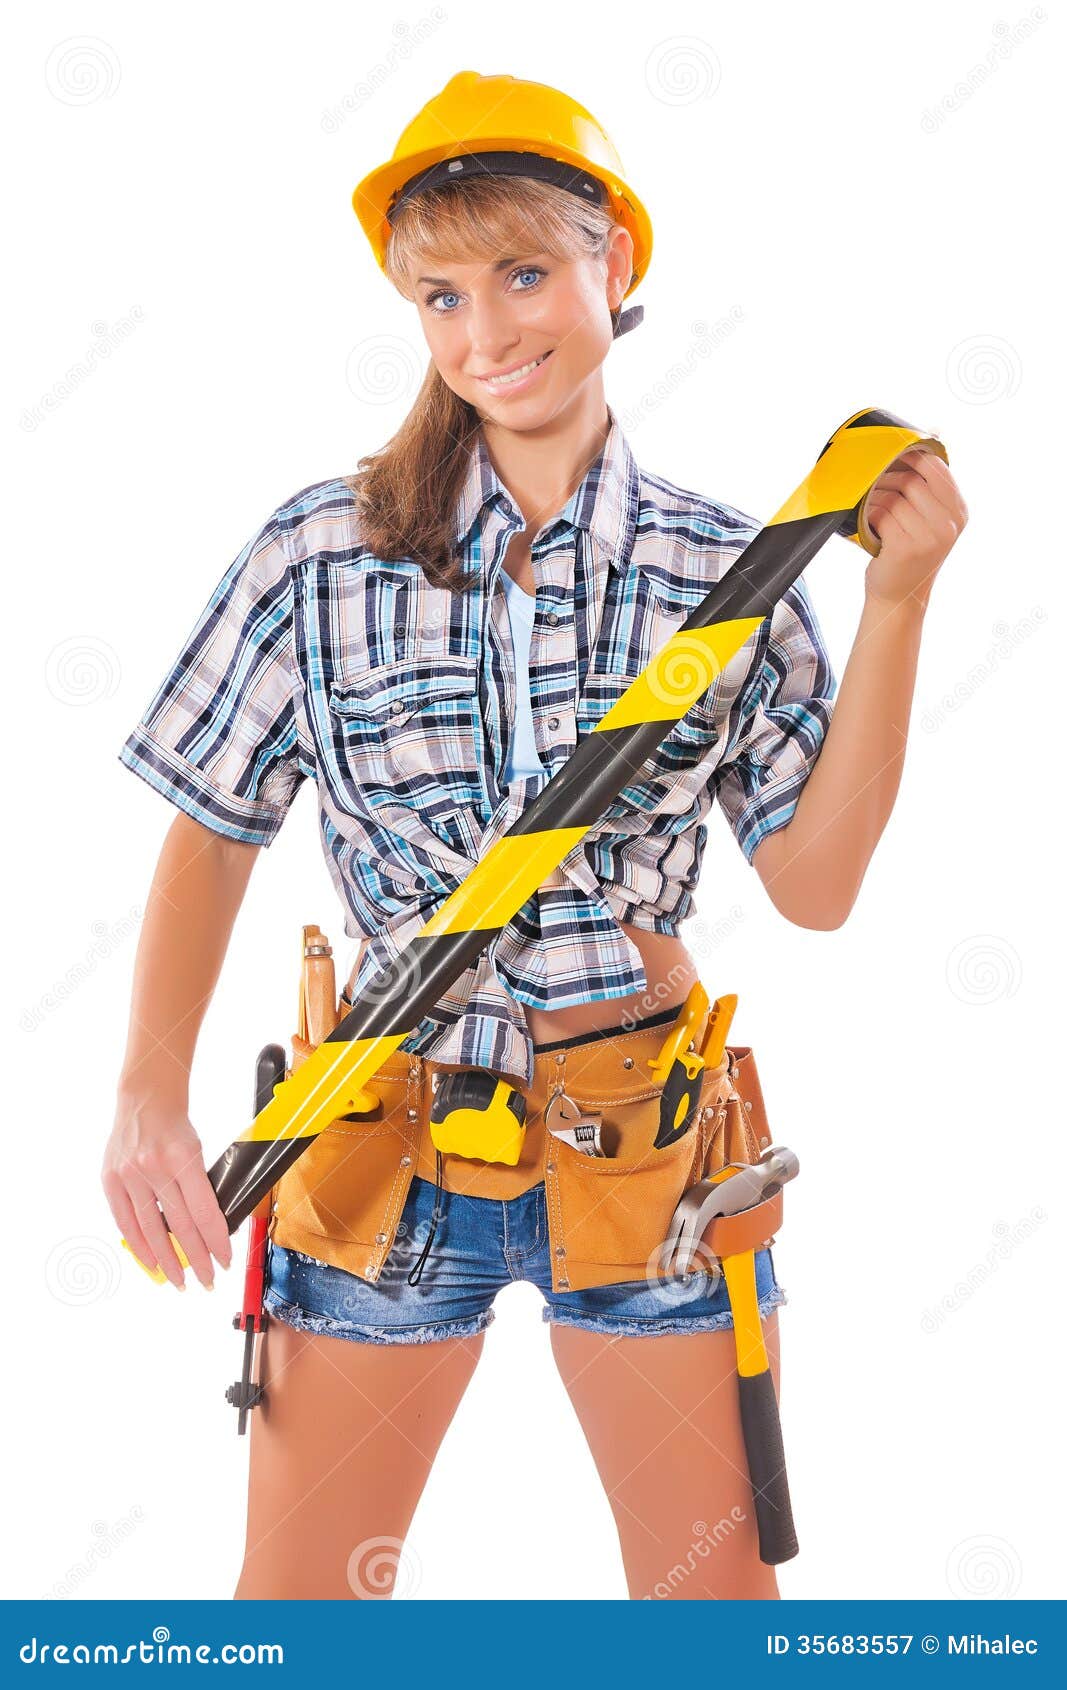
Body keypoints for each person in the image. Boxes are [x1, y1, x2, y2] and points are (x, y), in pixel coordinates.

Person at [101, 71, 968, 1601]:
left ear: (614, 266)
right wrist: (146, 1094)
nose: (488, 333)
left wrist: (896, 604)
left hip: (645, 1153)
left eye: (525, 273)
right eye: (441, 293)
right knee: (299, 1623)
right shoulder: (325, 551)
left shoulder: (729, 568)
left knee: (705, 1625)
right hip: (379, 1141)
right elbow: (213, 826)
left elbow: (817, 886)